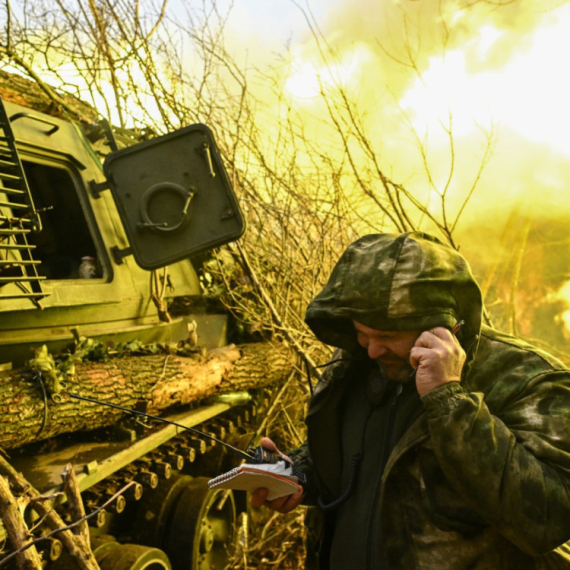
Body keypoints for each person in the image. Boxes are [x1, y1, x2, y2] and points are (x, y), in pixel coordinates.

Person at [251, 231, 570, 569]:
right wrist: (296, 472)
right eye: (362, 332)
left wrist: (449, 400)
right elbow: (353, 463)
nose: (372, 348)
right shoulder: (360, 365)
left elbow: (550, 518)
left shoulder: (524, 378)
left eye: (387, 336)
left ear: (445, 328)